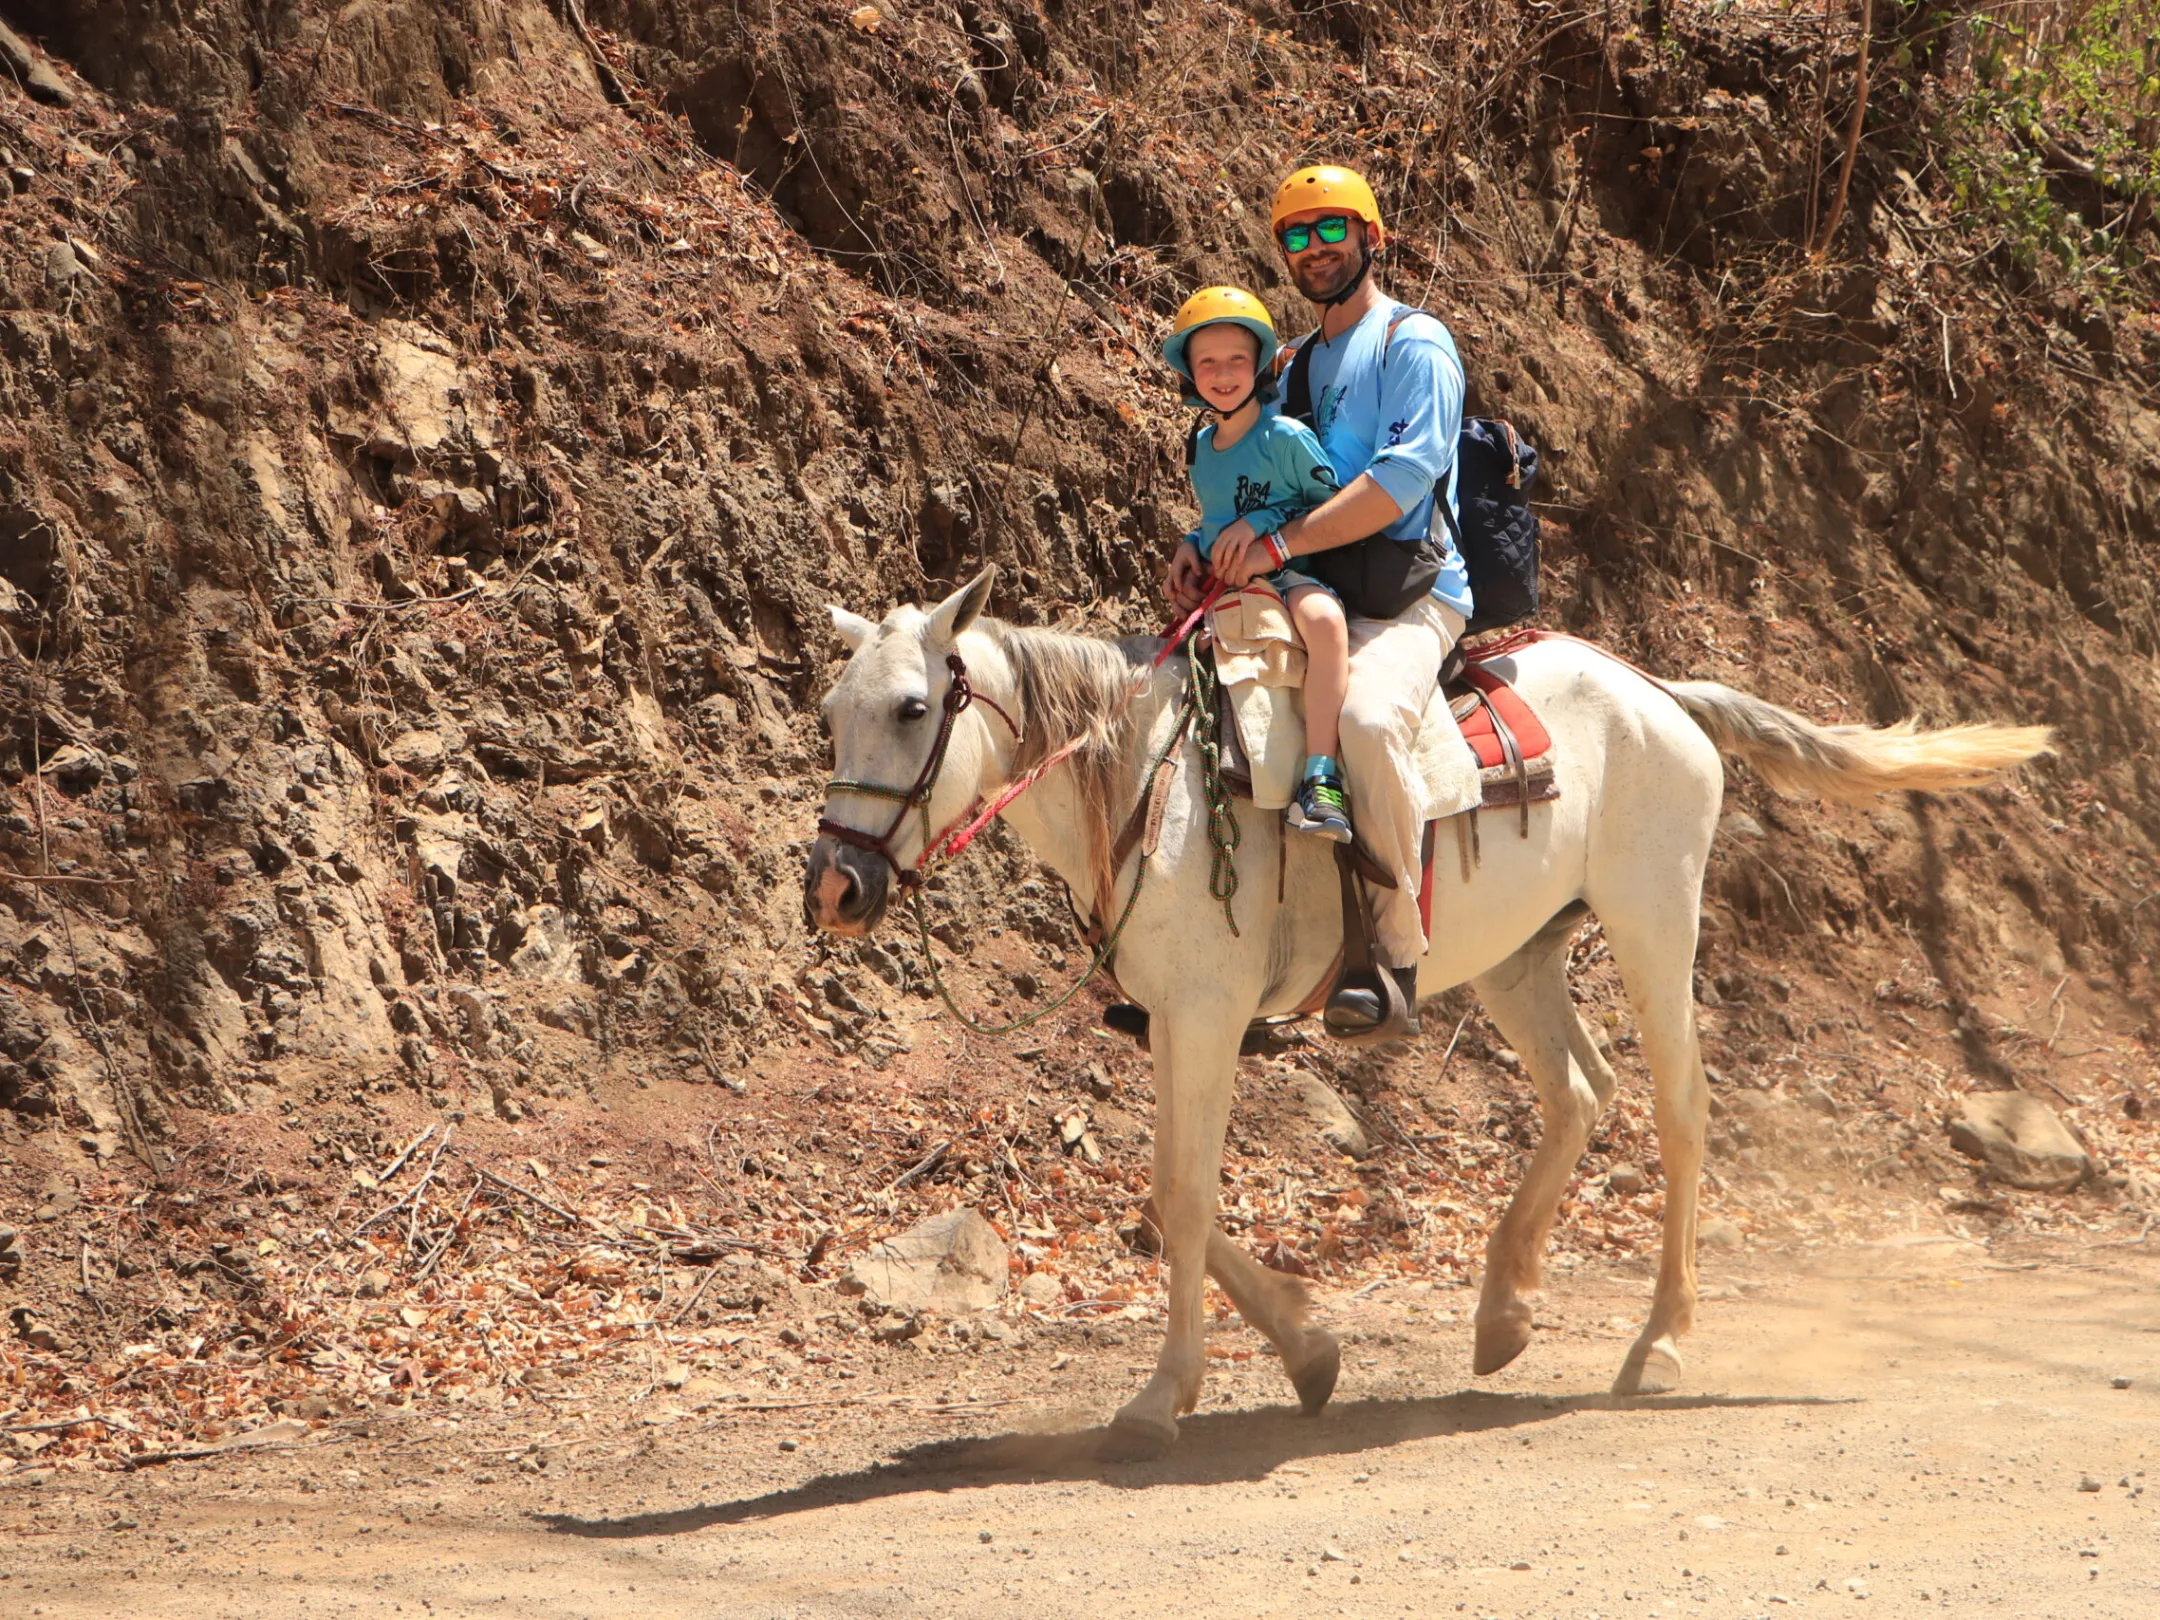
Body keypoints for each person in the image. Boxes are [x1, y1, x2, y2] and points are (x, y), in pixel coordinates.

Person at [1167, 164, 1471, 1037]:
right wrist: (1199, 543)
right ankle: (1230, 952)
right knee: (1208, 702)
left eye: (1332, 228)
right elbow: (1255, 477)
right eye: (1296, 235)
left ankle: (1393, 957)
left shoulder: (1413, 344)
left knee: (1366, 723)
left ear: (1373, 237)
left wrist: (1276, 547)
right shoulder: (1293, 365)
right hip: (1312, 581)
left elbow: (1401, 482)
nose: (1315, 248)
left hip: (1411, 593)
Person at [1159, 286, 1353, 843]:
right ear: (1190, 373)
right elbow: (1217, 516)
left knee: (1325, 623)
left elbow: (1332, 508)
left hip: (1290, 573)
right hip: (1226, 584)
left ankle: (1321, 776)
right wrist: (1191, 543)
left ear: (1260, 365)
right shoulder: (1201, 448)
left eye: (1237, 360)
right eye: (1207, 362)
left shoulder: (1286, 437)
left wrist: (1261, 523)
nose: (1223, 374)